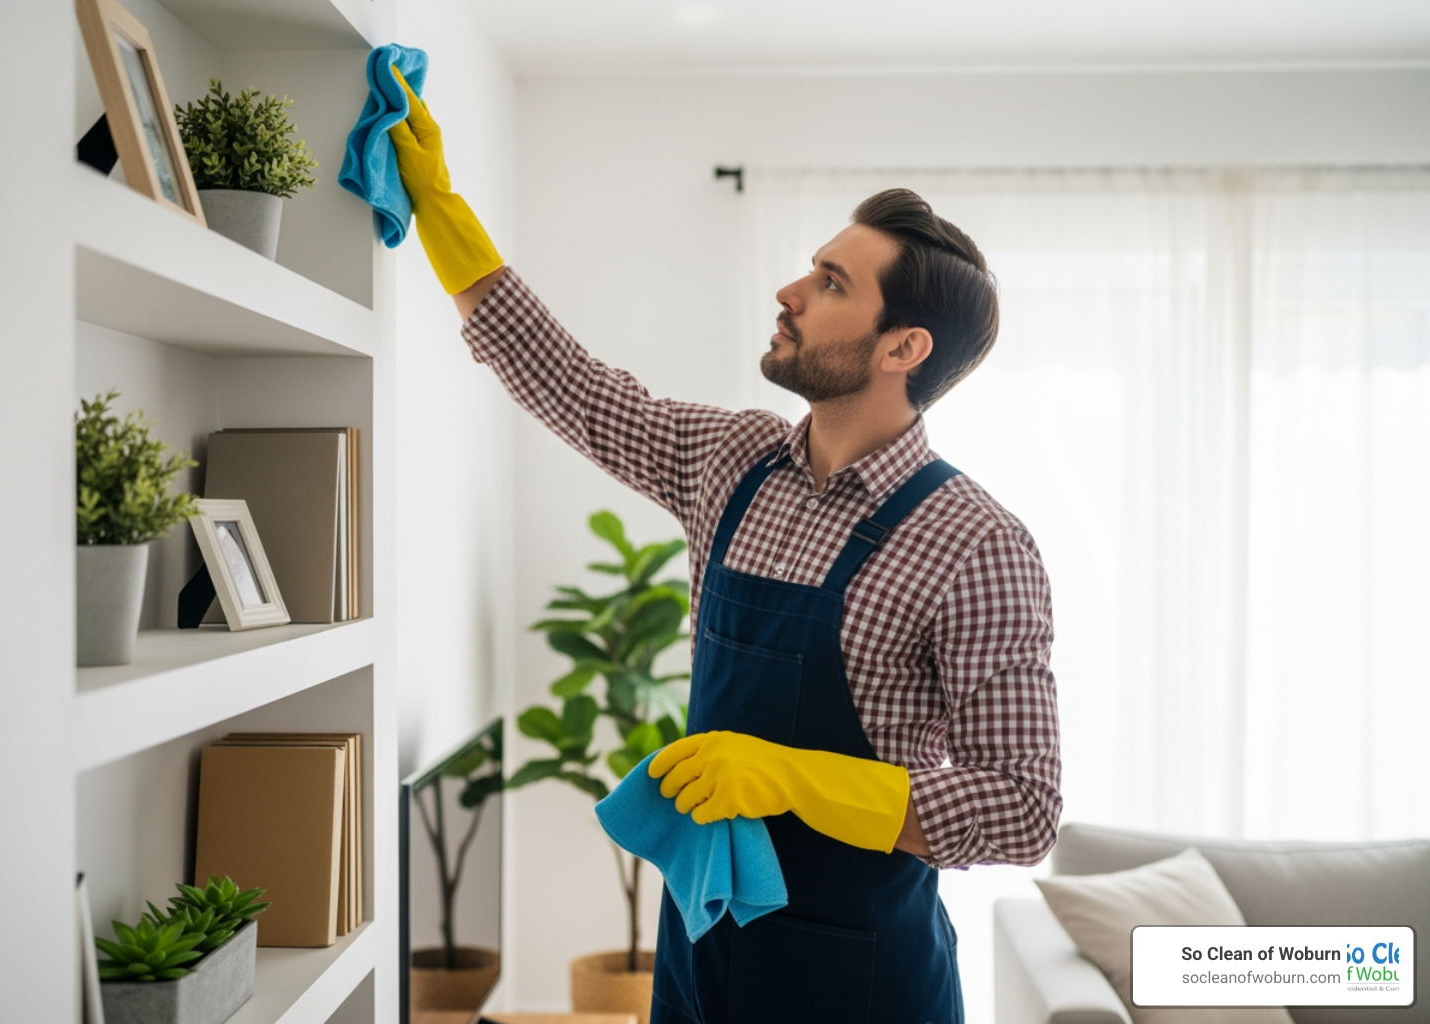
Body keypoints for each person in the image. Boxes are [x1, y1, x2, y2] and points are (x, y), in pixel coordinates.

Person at [389, 69, 1061, 1024]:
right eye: (810, 267)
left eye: (831, 283)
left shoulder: (976, 544)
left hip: (862, 983)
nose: (790, 291)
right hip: (701, 960)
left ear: (901, 348)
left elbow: (1023, 808)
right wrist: (440, 207)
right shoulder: (730, 459)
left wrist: (793, 775)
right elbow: (571, 386)